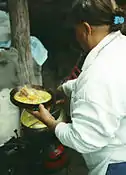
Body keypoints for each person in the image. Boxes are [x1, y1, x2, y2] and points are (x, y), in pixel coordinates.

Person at [31, 0, 126, 174]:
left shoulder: (99, 75)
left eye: (76, 30)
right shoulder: (120, 45)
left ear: (86, 28)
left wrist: (52, 124)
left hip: (115, 164)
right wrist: (65, 89)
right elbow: (107, 89)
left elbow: (83, 139)